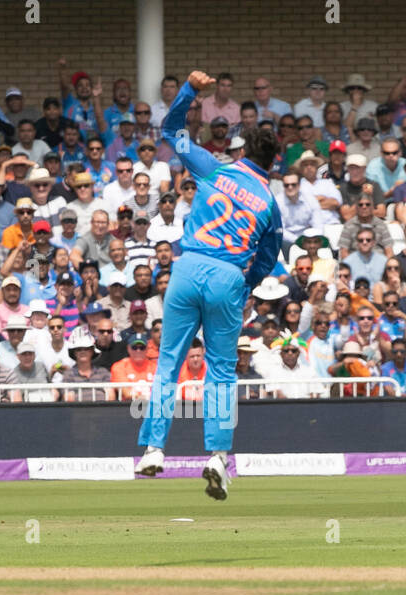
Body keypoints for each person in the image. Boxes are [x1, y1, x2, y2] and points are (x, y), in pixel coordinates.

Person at [133, 70, 282, 501]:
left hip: (187, 267)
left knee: (168, 365)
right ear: (272, 163)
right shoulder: (270, 203)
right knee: (220, 371)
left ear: (241, 150)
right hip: (228, 276)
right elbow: (270, 256)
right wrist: (245, 283)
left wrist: (190, 91)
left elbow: (171, 132)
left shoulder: (214, 167)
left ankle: (153, 450)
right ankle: (216, 457)